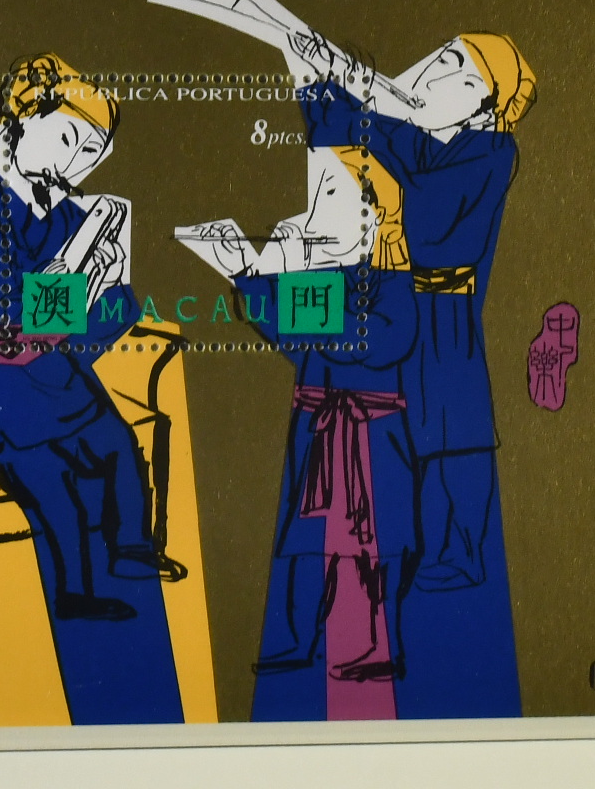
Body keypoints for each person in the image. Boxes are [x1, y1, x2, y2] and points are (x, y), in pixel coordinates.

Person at [0, 55, 186, 725]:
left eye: (91, 155)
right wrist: (12, 306)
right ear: (21, 119)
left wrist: (106, 278)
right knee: (50, 479)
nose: (75, 163)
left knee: (114, 442)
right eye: (68, 140)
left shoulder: (61, 207)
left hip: (43, 362)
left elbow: (73, 314)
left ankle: (133, 550)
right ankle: (77, 591)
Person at [283, 27, 536, 720]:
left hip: (445, 306)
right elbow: (366, 139)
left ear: (488, 101)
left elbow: (427, 222)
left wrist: (368, 118)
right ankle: (413, 547)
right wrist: (320, 82)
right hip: (402, 300)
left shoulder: (492, 150)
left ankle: (461, 550)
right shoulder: (426, 139)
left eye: (464, 72)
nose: (440, 72)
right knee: (413, 427)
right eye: (446, 57)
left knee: (455, 425)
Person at [178, 151, 423, 721]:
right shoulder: (321, 278)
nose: (314, 214)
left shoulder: (393, 283)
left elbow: (371, 342)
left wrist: (284, 284)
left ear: (373, 213)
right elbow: (286, 332)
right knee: (302, 539)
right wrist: (245, 271)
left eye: (331, 197)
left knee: (381, 545)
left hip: (375, 433)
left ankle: (381, 649)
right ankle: (294, 639)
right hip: (317, 425)